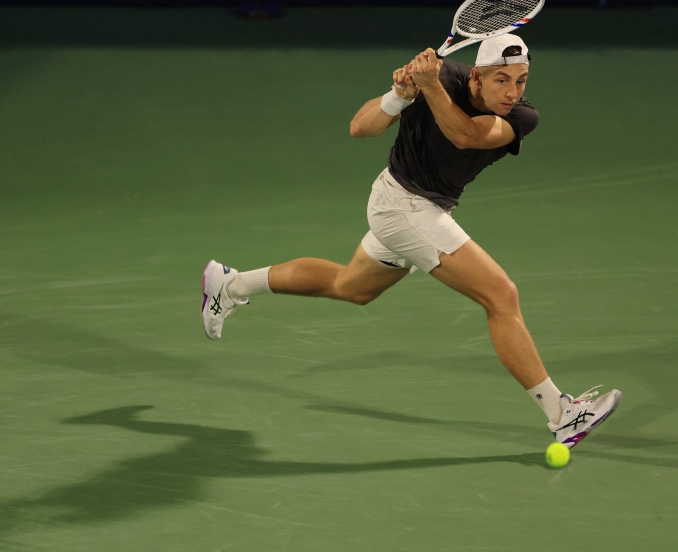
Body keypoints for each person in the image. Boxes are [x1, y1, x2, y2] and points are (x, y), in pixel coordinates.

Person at [200, 34, 621, 449]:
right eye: (502, 80)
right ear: (476, 75)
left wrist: (427, 85)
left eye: (521, 80)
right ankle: (562, 414)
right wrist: (400, 95)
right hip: (403, 206)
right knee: (501, 296)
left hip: (419, 210)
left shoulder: (520, 117)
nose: (513, 92)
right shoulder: (440, 78)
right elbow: (359, 128)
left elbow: (465, 135)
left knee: (350, 287)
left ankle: (230, 285)